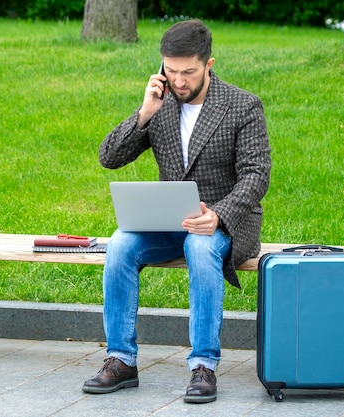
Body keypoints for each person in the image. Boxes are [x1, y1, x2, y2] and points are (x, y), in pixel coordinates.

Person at [82, 19, 271, 404]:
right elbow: (109, 157)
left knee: (201, 249)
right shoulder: (162, 105)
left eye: (188, 72)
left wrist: (218, 215)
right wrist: (144, 112)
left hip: (226, 222)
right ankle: (121, 360)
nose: (179, 80)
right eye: (171, 71)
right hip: (171, 222)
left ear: (209, 64)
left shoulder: (243, 105)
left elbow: (256, 175)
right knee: (120, 244)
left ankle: (203, 365)